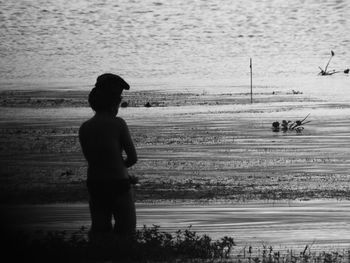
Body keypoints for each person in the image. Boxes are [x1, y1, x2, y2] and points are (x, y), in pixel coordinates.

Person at [79, 73, 138, 243]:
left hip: (95, 184)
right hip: (118, 184)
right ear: (114, 103)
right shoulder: (118, 123)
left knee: (99, 231)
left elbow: (95, 160)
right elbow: (132, 158)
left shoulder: (85, 127)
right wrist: (123, 171)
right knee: (126, 232)